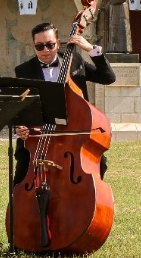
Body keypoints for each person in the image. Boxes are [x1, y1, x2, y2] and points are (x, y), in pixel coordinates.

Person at [12, 22, 116, 183]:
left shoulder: (75, 61)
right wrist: (19, 127)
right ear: (33, 46)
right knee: (22, 175)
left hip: (73, 134)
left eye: (50, 45)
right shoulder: (24, 70)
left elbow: (108, 77)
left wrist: (90, 49)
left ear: (58, 43)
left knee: (99, 164)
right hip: (39, 136)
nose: (45, 50)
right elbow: (20, 106)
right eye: (40, 46)